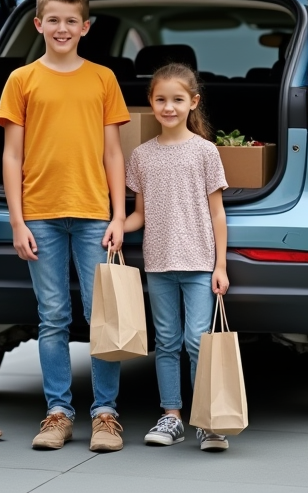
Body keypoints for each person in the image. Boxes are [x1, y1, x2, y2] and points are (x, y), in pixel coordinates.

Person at [0, 0, 131, 452]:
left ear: (86, 27)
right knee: (52, 316)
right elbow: (12, 156)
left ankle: (106, 414)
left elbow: (115, 153)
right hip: (41, 216)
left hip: (95, 213)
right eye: (53, 20)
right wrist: (17, 221)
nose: (62, 28)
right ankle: (57, 413)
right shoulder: (22, 80)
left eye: (71, 21)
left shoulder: (102, 79)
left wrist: (118, 215)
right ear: (38, 24)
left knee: (102, 318)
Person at [124, 62, 232, 452]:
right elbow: (140, 213)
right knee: (167, 341)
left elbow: (217, 212)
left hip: (200, 264)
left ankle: (207, 418)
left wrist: (220, 265)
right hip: (158, 263)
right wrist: (119, 227)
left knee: (197, 341)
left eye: (177, 100)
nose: (169, 107)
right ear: (150, 103)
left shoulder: (205, 152)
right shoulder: (141, 156)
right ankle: (172, 416)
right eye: (161, 100)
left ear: (193, 102)